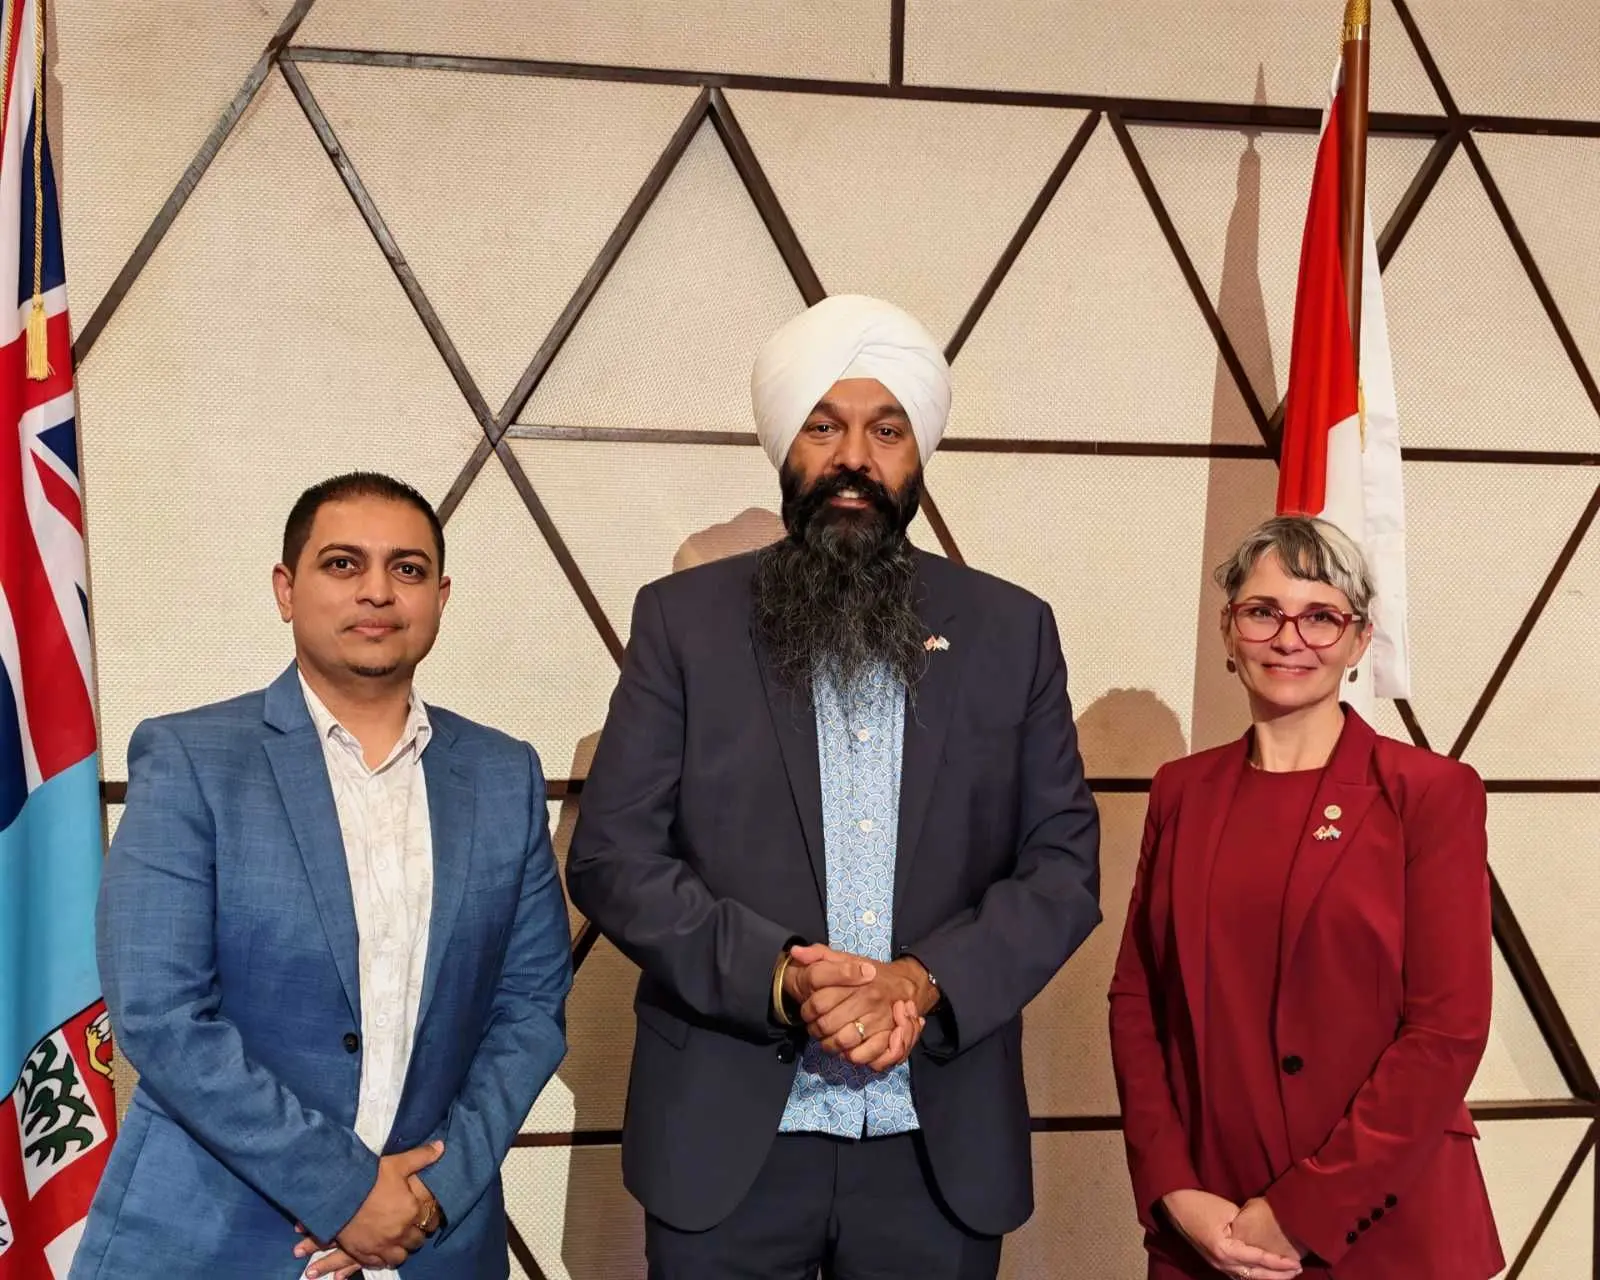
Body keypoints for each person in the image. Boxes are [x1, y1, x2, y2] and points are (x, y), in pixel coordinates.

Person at [567, 294, 1102, 1279]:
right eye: (824, 425)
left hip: (933, 1143)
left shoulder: (1009, 629)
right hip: (728, 1138)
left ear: (918, 452)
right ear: (785, 444)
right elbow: (613, 854)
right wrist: (780, 976)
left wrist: (922, 980)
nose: (853, 455)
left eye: (885, 428)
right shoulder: (683, 622)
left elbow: (1062, 868)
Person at [71, 473, 572, 1280]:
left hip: (434, 1242)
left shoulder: (501, 774)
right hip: (215, 1237)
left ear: (440, 596)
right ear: (285, 588)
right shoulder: (192, 759)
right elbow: (160, 1014)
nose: (378, 590)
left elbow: (531, 1010)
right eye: (343, 564)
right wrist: (344, 1190)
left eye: (407, 570)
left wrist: (432, 1193)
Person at [1108, 515, 1503, 1280]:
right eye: (1263, 612)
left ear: (1359, 641)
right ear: (1229, 630)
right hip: (1209, 1228)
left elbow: (1447, 1031)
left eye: (1322, 616)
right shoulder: (1181, 793)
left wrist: (1303, 1210)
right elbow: (1136, 1002)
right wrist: (1172, 1187)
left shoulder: (1428, 792)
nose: (1291, 639)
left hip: (1384, 1226)